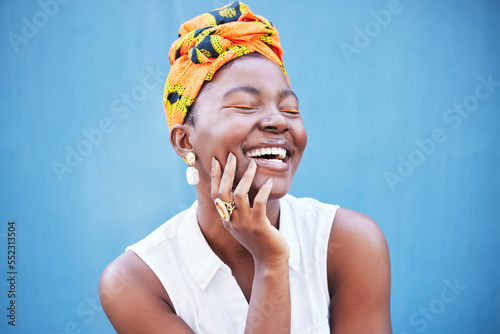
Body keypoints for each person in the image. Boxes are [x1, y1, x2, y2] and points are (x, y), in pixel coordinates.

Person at [99, 2, 392, 333]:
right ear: (184, 141)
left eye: (290, 109)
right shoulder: (135, 281)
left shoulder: (350, 244)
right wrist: (270, 264)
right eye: (244, 105)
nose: (277, 121)